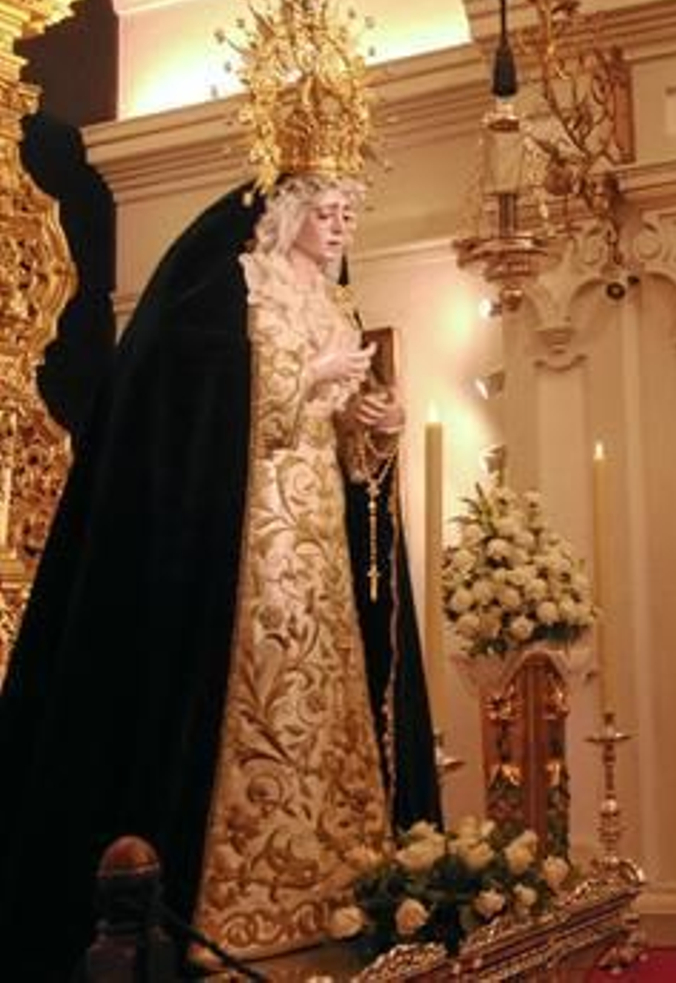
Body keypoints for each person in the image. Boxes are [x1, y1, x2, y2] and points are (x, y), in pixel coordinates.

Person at [0, 174, 441, 976]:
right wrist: (304, 385)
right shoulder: (234, 286)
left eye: (350, 211)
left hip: (322, 553)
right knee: (257, 694)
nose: (340, 226)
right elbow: (196, 399)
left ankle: (342, 889)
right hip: (251, 540)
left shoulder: (331, 301)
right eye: (326, 211)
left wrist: (377, 427)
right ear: (288, 213)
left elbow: (348, 448)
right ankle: (239, 903)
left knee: (323, 704)